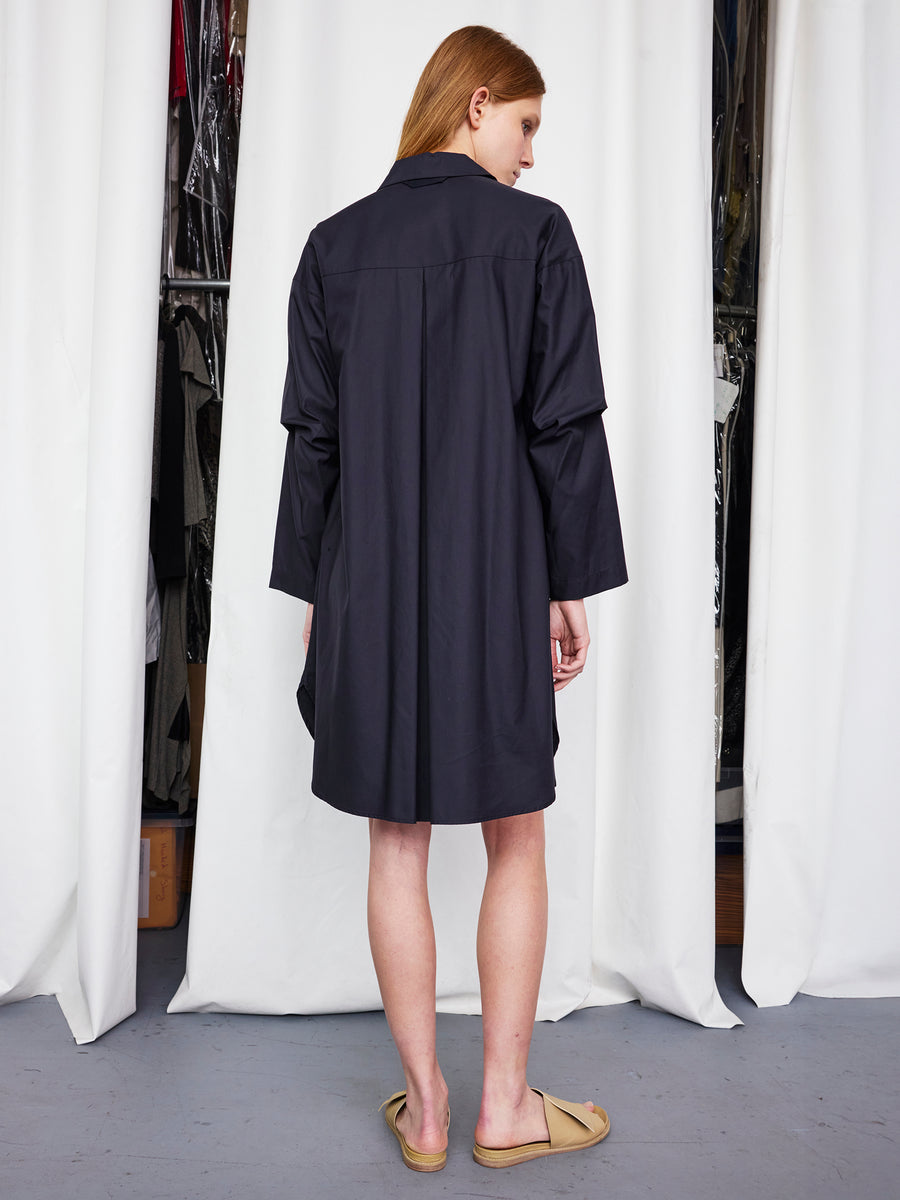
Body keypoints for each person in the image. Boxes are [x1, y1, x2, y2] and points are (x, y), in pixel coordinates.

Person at [270, 25, 627, 1171]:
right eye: (526, 123)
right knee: (515, 833)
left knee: (396, 840)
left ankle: (425, 1108)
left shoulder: (333, 247)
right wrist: (569, 583)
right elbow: (563, 424)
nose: (531, 152)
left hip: (367, 581)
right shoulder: (537, 236)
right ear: (476, 104)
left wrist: (318, 591)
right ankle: (503, 1108)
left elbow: (313, 442)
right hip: (500, 576)